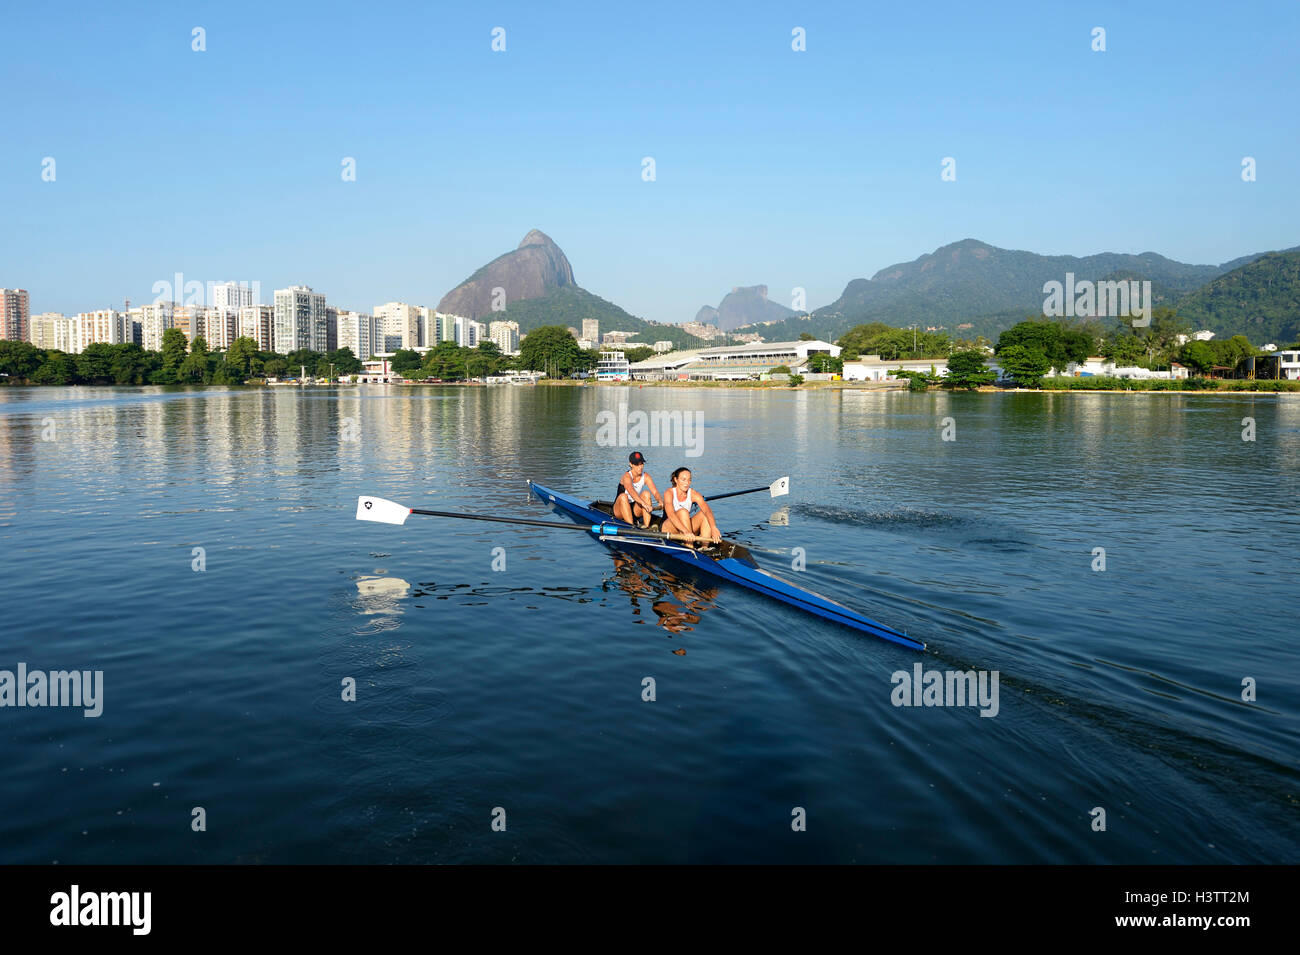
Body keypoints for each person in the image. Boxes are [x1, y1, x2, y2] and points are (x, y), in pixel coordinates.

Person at [662, 466, 720, 548]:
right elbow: (671, 514)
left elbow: (707, 511)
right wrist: (685, 531)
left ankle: (704, 547)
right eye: (683, 479)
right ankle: (690, 547)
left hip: (685, 530)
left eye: (689, 480)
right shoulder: (669, 493)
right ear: (676, 480)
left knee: (704, 514)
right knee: (683, 512)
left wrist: (713, 527)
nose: (687, 483)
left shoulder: (693, 494)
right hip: (669, 529)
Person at [613, 451, 661, 528]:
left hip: (634, 509)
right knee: (623, 496)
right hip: (619, 510)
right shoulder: (627, 477)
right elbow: (631, 491)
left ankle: (646, 527)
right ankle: (631, 527)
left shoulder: (646, 476)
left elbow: (655, 492)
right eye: (636, 464)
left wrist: (660, 500)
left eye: (641, 464)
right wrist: (644, 504)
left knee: (646, 493)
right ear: (631, 464)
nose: (640, 467)